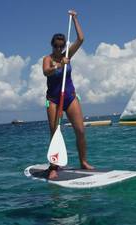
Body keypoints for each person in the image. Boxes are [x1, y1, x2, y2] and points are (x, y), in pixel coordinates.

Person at [42, 10, 94, 179]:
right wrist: (59, 66)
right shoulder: (48, 59)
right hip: (54, 100)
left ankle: (83, 162)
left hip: (70, 96)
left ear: (64, 45)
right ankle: (53, 167)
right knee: (55, 131)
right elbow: (46, 72)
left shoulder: (67, 54)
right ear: (52, 45)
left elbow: (81, 39)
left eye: (61, 46)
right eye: (56, 46)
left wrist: (75, 19)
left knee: (80, 130)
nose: (58, 48)